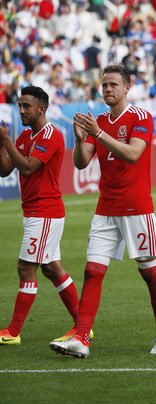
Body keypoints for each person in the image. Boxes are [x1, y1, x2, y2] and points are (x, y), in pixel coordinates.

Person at [49, 65, 156, 358]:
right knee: (92, 271)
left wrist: (98, 133)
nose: (107, 89)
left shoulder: (141, 117)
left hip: (137, 208)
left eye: (113, 85)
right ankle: (81, 338)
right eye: (104, 85)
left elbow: (132, 154)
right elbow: (81, 163)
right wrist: (81, 139)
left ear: (127, 88)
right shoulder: (99, 121)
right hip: (106, 208)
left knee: (150, 274)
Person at [0, 86, 82, 345]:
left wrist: (7, 141)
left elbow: (26, 168)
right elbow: (5, 171)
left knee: (26, 268)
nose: (21, 110)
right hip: (35, 212)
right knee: (51, 267)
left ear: (42, 109)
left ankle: (13, 332)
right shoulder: (26, 136)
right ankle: (83, 326)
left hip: (45, 212)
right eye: (19, 106)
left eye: (27, 106)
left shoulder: (51, 136)